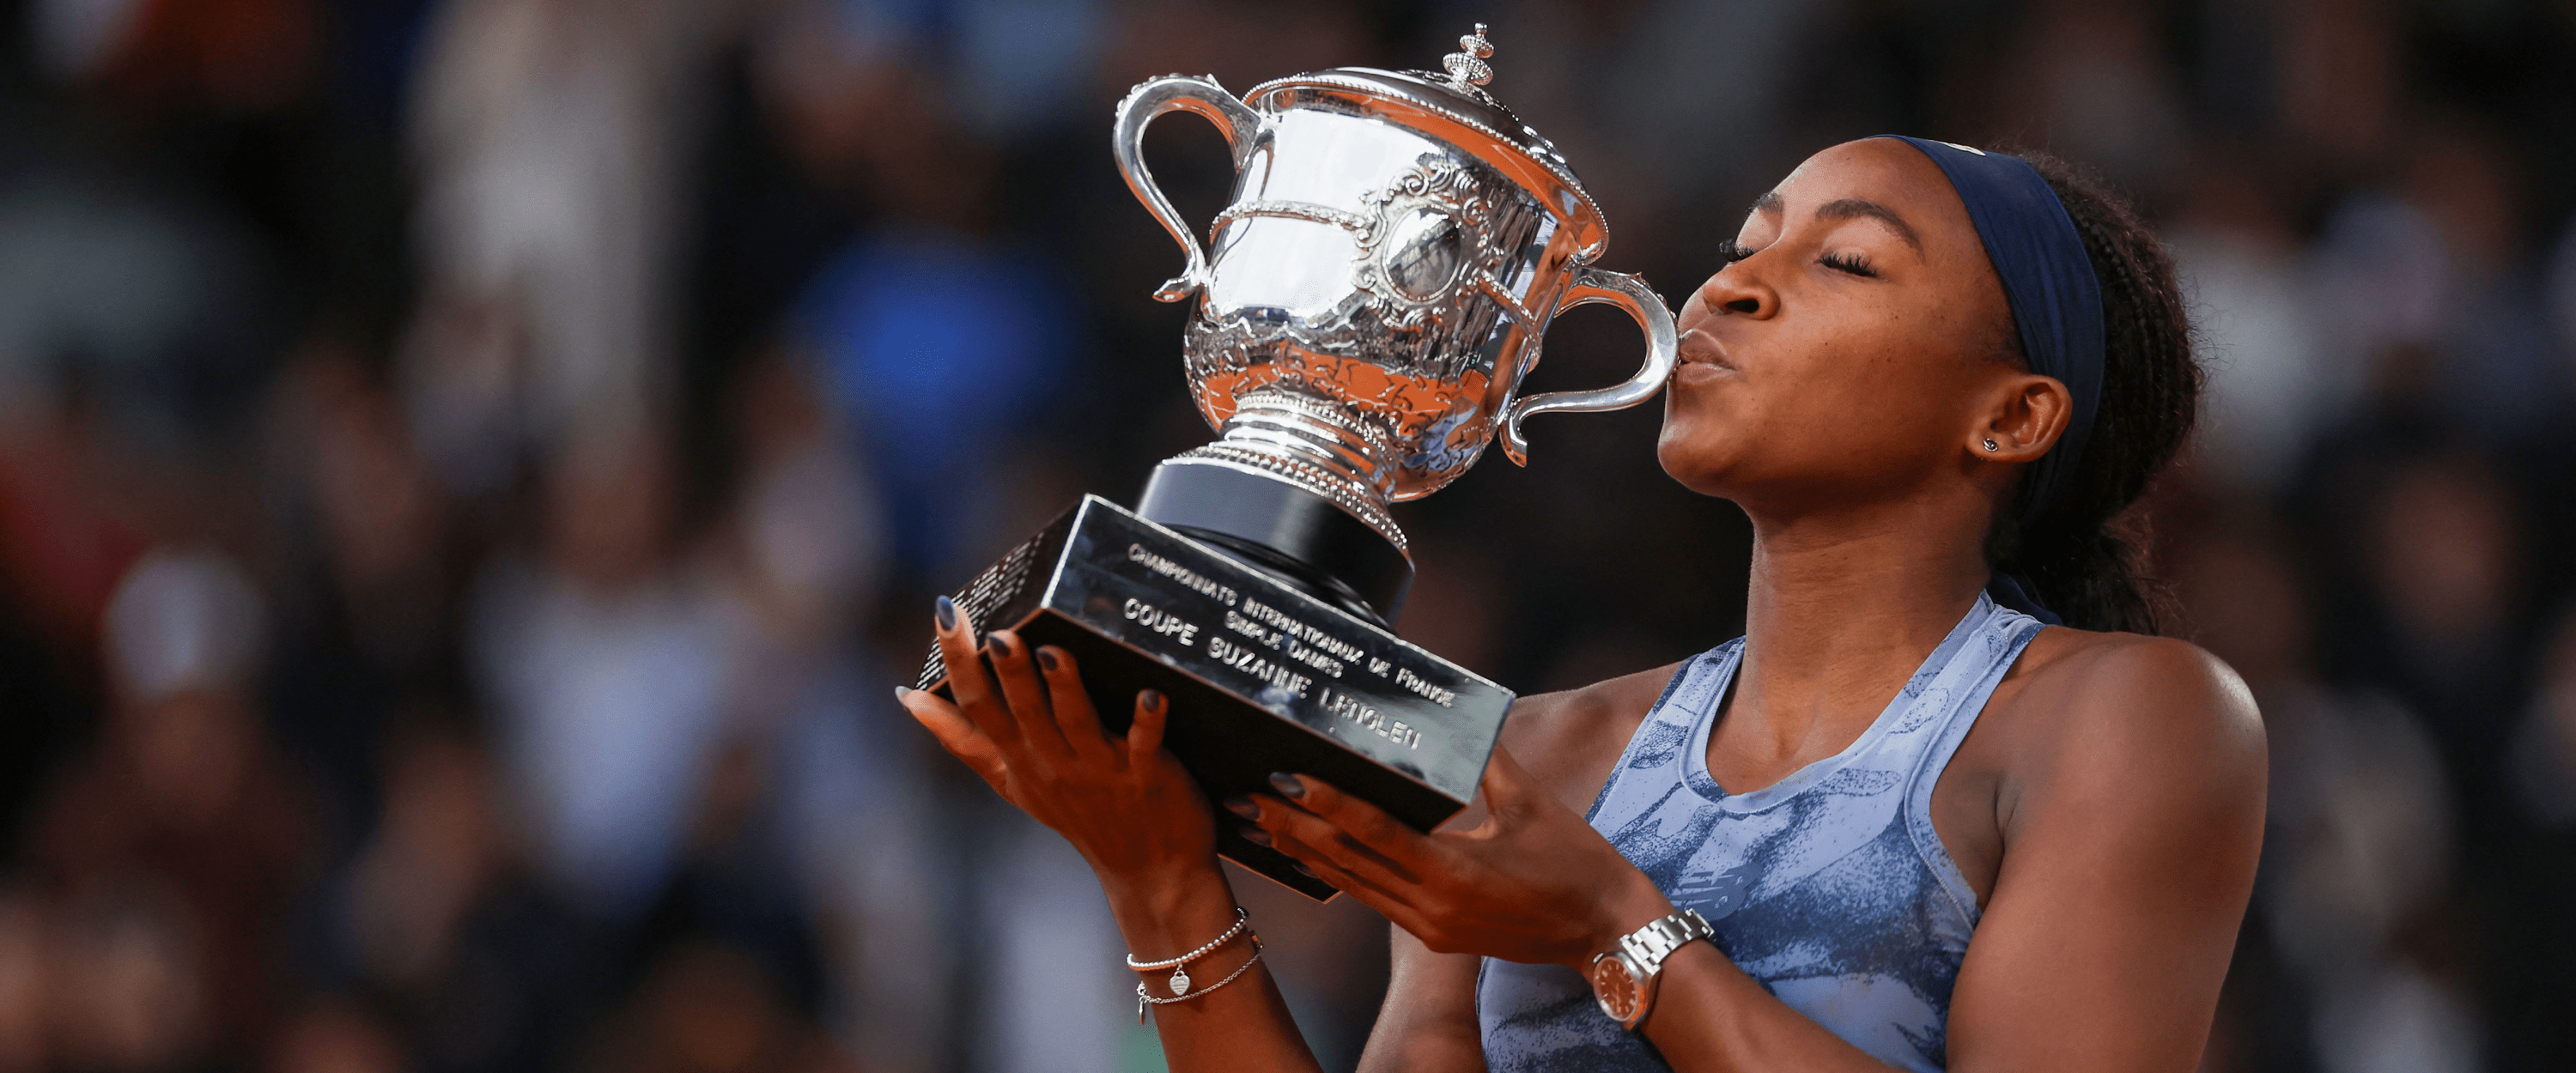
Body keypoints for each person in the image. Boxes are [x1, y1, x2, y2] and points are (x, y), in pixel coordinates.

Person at [896, 136, 2264, 1072]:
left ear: (2013, 415)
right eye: (1740, 247)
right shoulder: (1543, 752)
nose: (1726, 284)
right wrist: (1159, 877)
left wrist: (1616, 921)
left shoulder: (2125, 715)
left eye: (1844, 262)